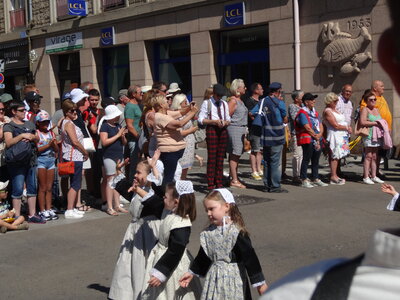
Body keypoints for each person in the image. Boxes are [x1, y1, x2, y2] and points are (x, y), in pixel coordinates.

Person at [179, 188, 268, 299]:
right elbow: (204, 256)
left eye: (212, 209)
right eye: (207, 210)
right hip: (214, 280)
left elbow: (250, 258)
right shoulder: (208, 233)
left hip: (234, 279)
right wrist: (192, 273)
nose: (209, 213)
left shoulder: (236, 232)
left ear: (226, 206)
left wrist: (260, 283)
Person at [109, 155, 165, 300]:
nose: (135, 175)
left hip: (149, 233)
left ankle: (145, 292)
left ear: (150, 176)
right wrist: (118, 170)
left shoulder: (155, 193)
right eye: (135, 172)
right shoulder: (135, 188)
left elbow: (159, 188)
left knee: (144, 263)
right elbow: (122, 186)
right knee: (128, 263)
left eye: (139, 172)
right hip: (134, 231)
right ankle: (127, 293)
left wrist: (153, 167)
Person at [141, 180, 201, 300]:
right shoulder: (169, 211)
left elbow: (175, 251)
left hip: (172, 264)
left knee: (170, 293)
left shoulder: (181, 224)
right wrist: (151, 184)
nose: (163, 198)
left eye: (165, 197)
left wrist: (161, 273)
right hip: (162, 256)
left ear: (176, 202)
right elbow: (159, 194)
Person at [3, 101, 44, 223]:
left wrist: (34, 137)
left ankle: (32, 214)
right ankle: (17, 216)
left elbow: (37, 139)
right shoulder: (8, 125)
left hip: (30, 160)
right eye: (21, 110)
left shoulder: (30, 124)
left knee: (32, 187)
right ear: (14, 111)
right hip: (16, 162)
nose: (24, 112)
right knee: (18, 188)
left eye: (24, 110)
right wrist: (22, 136)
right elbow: (9, 142)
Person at [251, 82, 287, 193]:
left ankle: (267, 185)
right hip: (277, 136)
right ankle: (275, 186)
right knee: (275, 162)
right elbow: (285, 118)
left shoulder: (262, 102)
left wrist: (263, 122)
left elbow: (252, 113)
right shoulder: (279, 102)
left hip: (265, 136)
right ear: (278, 91)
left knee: (266, 161)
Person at [153, 94, 197, 185]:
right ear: (161, 105)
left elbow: (180, 113)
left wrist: (189, 107)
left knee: (175, 175)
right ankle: (165, 196)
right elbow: (179, 124)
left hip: (175, 151)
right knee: (169, 177)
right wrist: (192, 112)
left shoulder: (166, 113)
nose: (169, 101)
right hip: (169, 152)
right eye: (166, 101)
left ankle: (171, 194)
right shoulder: (160, 117)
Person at [198, 84, 231, 190]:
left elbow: (229, 119)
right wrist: (214, 121)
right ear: (214, 94)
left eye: (221, 96)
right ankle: (211, 183)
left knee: (220, 157)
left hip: (223, 130)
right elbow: (201, 119)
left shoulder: (224, 104)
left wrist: (225, 122)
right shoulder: (207, 103)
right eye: (218, 96)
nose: (219, 98)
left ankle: (219, 181)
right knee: (212, 158)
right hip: (212, 129)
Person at [60, 100, 89, 219]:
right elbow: (75, 141)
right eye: (72, 110)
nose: (74, 112)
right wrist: (85, 152)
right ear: (66, 112)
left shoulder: (64, 122)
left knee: (74, 182)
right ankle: (70, 209)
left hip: (70, 156)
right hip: (74, 156)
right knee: (75, 184)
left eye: (75, 110)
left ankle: (71, 208)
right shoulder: (69, 124)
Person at [99, 105, 128, 216]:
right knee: (110, 180)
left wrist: (123, 136)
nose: (118, 116)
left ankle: (117, 204)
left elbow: (123, 143)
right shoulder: (105, 126)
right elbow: (104, 142)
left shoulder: (117, 125)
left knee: (118, 180)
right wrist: (118, 135)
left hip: (118, 155)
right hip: (109, 156)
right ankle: (109, 207)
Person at [295, 93, 328, 188]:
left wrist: (320, 134)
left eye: (314, 99)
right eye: (311, 99)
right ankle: (304, 179)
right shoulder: (302, 113)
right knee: (306, 158)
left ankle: (315, 177)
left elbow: (320, 124)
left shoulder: (315, 112)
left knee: (316, 159)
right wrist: (316, 136)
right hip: (308, 139)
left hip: (317, 139)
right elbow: (307, 127)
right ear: (306, 102)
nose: (314, 101)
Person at [323, 93, 351, 185]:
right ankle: (333, 176)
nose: (336, 102)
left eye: (337, 100)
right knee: (334, 155)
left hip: (341, 135)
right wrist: (346, 128)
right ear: (329, 101)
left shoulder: (335, 110)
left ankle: (335, 174)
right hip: (334, 135)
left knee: (338, 155)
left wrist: (347, 127)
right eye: (334, 101)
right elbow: (335, 125)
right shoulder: (328, 111)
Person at [35, 111, 59, 221]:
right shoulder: (37, 134)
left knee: (50, 187)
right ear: (38, 123)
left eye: (47, 122)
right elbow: (37, 150)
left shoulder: (51, 133)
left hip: (51, 160)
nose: (45, 124)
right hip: (41, 160)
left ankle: (49, 208)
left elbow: (56, 150)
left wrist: (54, 146)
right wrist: (48, 145)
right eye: (43, 122)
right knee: (42, 187)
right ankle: (42, 209)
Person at [359, 91, 385, 185]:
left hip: (376, 135)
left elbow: (380, 120)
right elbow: (362, 122)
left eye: (375, 99)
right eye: (371, 100)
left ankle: (374, 175)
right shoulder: (365, 109)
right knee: (368, 156)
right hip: (368, 135)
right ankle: (366, 176)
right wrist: (375, 123)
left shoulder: (376, 109)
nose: (373, 101)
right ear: (366, 101)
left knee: (375, 156)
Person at [170, 94, 198, 180]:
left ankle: (182, 182)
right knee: (180, 168)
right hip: (182, 143)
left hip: (189, 143)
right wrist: (191, 130)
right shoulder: (176, 114)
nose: (187, 103)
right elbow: (179, 132)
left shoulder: (186, 113)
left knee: (185, 169)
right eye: (185, 102)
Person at [227, 79, 248, 188]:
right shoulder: (233, 101)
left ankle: (233, 177)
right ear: (237, 89)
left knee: (236, 154)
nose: (245, 88)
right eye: (243, 87)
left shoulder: (240, 101)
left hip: (240, 129)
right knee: (235, 154)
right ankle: (234, 180)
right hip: (234, 128)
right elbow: (227, 116)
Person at [245, 83, 264, 181]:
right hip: (254, 129)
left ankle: (259, 168)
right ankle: (254, 170)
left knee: (260, 150)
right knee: (254, 150)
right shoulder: (250, 101)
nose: (262, 90)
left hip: (261, 129)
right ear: (255, 90)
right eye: (261, 89)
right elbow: (251, 115)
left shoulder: (261, 101)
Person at [125, 85, 143, 182]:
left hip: (139, 138)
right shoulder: (130, 107)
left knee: (139, 164)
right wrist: (139, 137)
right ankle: (132, 186)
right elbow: (130, 126)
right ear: (133, 94)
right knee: (134, 165)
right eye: (140, 92)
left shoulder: (138, 105)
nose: (142, 94)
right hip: (134, 140)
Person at [288, 90, 304, 184]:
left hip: (304, 133)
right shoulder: (292, 106)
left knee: (302, 155)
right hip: (296, 133)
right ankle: (296, 175)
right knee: (297, 155)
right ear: (296, 98)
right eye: (302, 97)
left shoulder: (303, 107)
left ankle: (301, 174)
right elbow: (296, 119)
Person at [0, 101, 11, 182]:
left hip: (7, 159)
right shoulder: (5, 122)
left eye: (3, 109)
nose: (1, 111)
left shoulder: (7, 119)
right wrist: (4, 126)